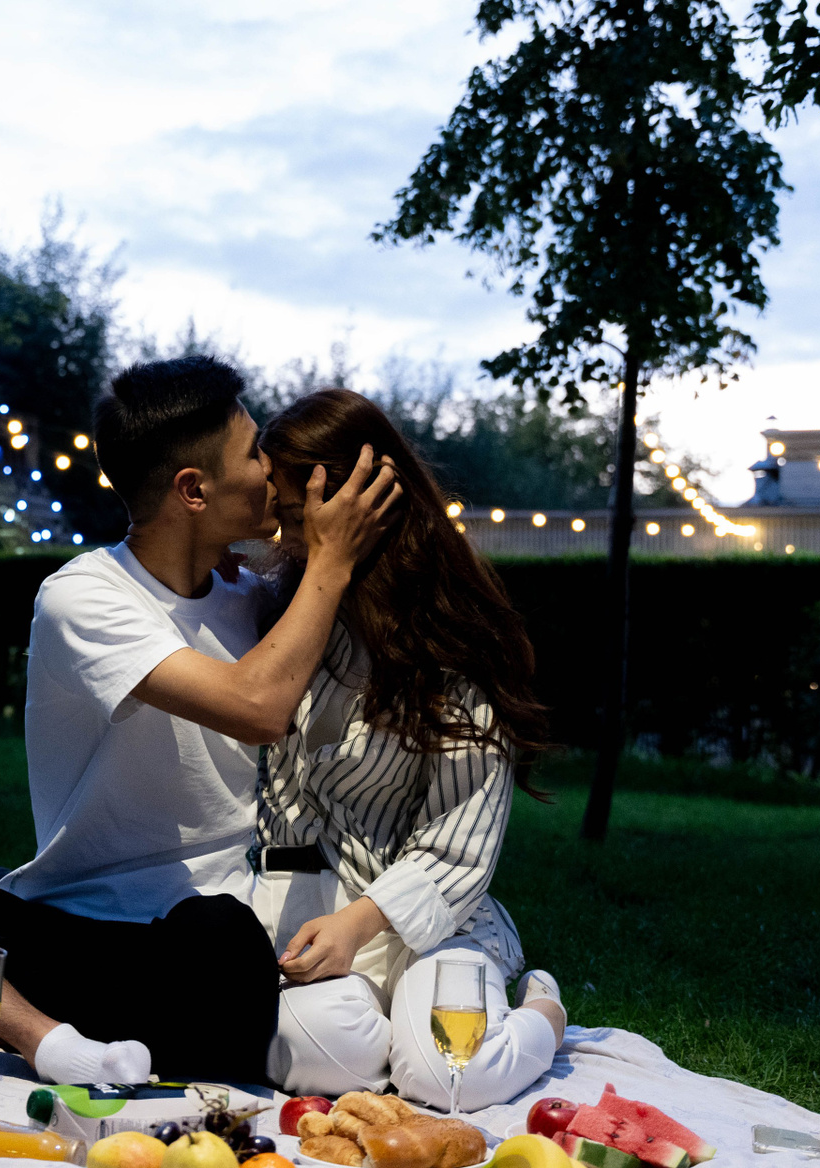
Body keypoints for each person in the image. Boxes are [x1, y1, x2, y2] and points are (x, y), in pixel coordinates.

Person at [0, 357, 401, 1087]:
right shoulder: (82, 597)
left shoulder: (254, 598)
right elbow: (257, 708)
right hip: (67, 927)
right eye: (252, 453)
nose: (271, 468)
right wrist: (332, 560)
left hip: (198, 942)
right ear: (193, 490)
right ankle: (42, 1040)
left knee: (225, 939)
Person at [243, 388, 566, 1110]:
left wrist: (361, 923)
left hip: (434, 917)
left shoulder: (458, 640)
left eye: (294, 515)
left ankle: (544, 1008)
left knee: (452, 1074)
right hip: (315, 909)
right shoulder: (284, 611)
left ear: (360, 504)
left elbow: (460, 841)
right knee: (315, 1052)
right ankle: (394, 1026)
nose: (280, 536)